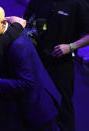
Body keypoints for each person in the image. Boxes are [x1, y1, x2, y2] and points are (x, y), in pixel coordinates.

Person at [24, 0, 89, 130]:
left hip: (62, 64)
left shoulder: (78, 3)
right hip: (38, 61)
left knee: (63, 107)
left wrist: (70, 47)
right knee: (36, 103)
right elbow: (26, 20)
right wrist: (31, 31)